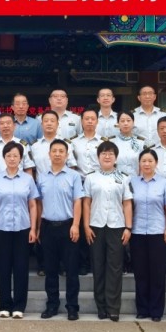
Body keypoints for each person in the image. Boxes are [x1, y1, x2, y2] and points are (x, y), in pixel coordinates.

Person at [0, 141, 39, 319]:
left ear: (21, 158)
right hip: (2, 228)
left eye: (15, 155)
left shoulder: (28, 179)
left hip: (23, 228)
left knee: (21, 268)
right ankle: (4, 305)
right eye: (9, 155)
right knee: (3, 267)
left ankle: (19, 306)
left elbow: (33, 205)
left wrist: (33, 228)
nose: (12, 158)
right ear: (4, 158)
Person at [82, 141, 133, 322]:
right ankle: (101, 307)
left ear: (116, 158)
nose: (107, 156)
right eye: (103, 153)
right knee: (98, 266)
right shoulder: (91, 178)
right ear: (98, 157)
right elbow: (86, 203)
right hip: (95, 226)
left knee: (115, 267)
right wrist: (86, 226)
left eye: (111, 153)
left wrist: (128, 227)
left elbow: (127, 203)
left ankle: (113, 308)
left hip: (116, 226)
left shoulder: (124, 178)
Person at [0, 113, 35, 276]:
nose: (5, 126)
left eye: (8, 123)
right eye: (2, 123)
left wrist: (28, 187)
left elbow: (28, 168)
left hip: (20, 185)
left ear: (14, 126)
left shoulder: (22, 145)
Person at [37, 139, 84, 321]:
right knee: (50, 270)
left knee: (71, 270)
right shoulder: (42, 177)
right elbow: (38, 204)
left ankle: (72, 307)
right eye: (54, 151)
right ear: (49, 154)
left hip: (68, 226)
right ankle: (52, 305)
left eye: (61, 151)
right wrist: (38, 227)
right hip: (48, 227)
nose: (57, 154)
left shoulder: (73, 176)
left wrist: (76, 225)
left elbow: (78, 202)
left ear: (67, 155)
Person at [130, 148, 166, 322]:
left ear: (156, 163)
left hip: (158, 232)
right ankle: (142, 309)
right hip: (137, 231)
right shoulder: (132, 182)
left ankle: (156, 310)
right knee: (140, 272)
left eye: (150, 161)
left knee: (157, 273)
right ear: (139, 163)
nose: (147, 164)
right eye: (144, 161)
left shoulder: (164, 183)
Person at [71, 106, 105, 276]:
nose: (90, 122)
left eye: (93, 119)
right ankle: (82, 262)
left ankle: (97, 261)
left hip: (99, 185)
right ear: (82, 121)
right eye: (86, 119)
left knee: (96, 221)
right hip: (80, 184)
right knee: (80, 222)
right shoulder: (73, 142)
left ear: (97, 121)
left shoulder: (104, 143)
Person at [30, 110, 77, 180]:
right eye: (46, 121)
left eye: (52, 121)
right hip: (41, 185)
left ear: (57, 124)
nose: (49, 123)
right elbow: (32, 169)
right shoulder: (34, 146)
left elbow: (71, 166)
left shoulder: (67, 144)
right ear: (42, 124)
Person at [110, 111, 145, 177]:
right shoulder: (112, 142)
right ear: (118, 123)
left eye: (128, 121)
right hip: (116, 179)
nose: (125, 123)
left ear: (133, 123)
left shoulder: (140, 142)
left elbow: (143, 164)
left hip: (135, 179)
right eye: (122, 121)